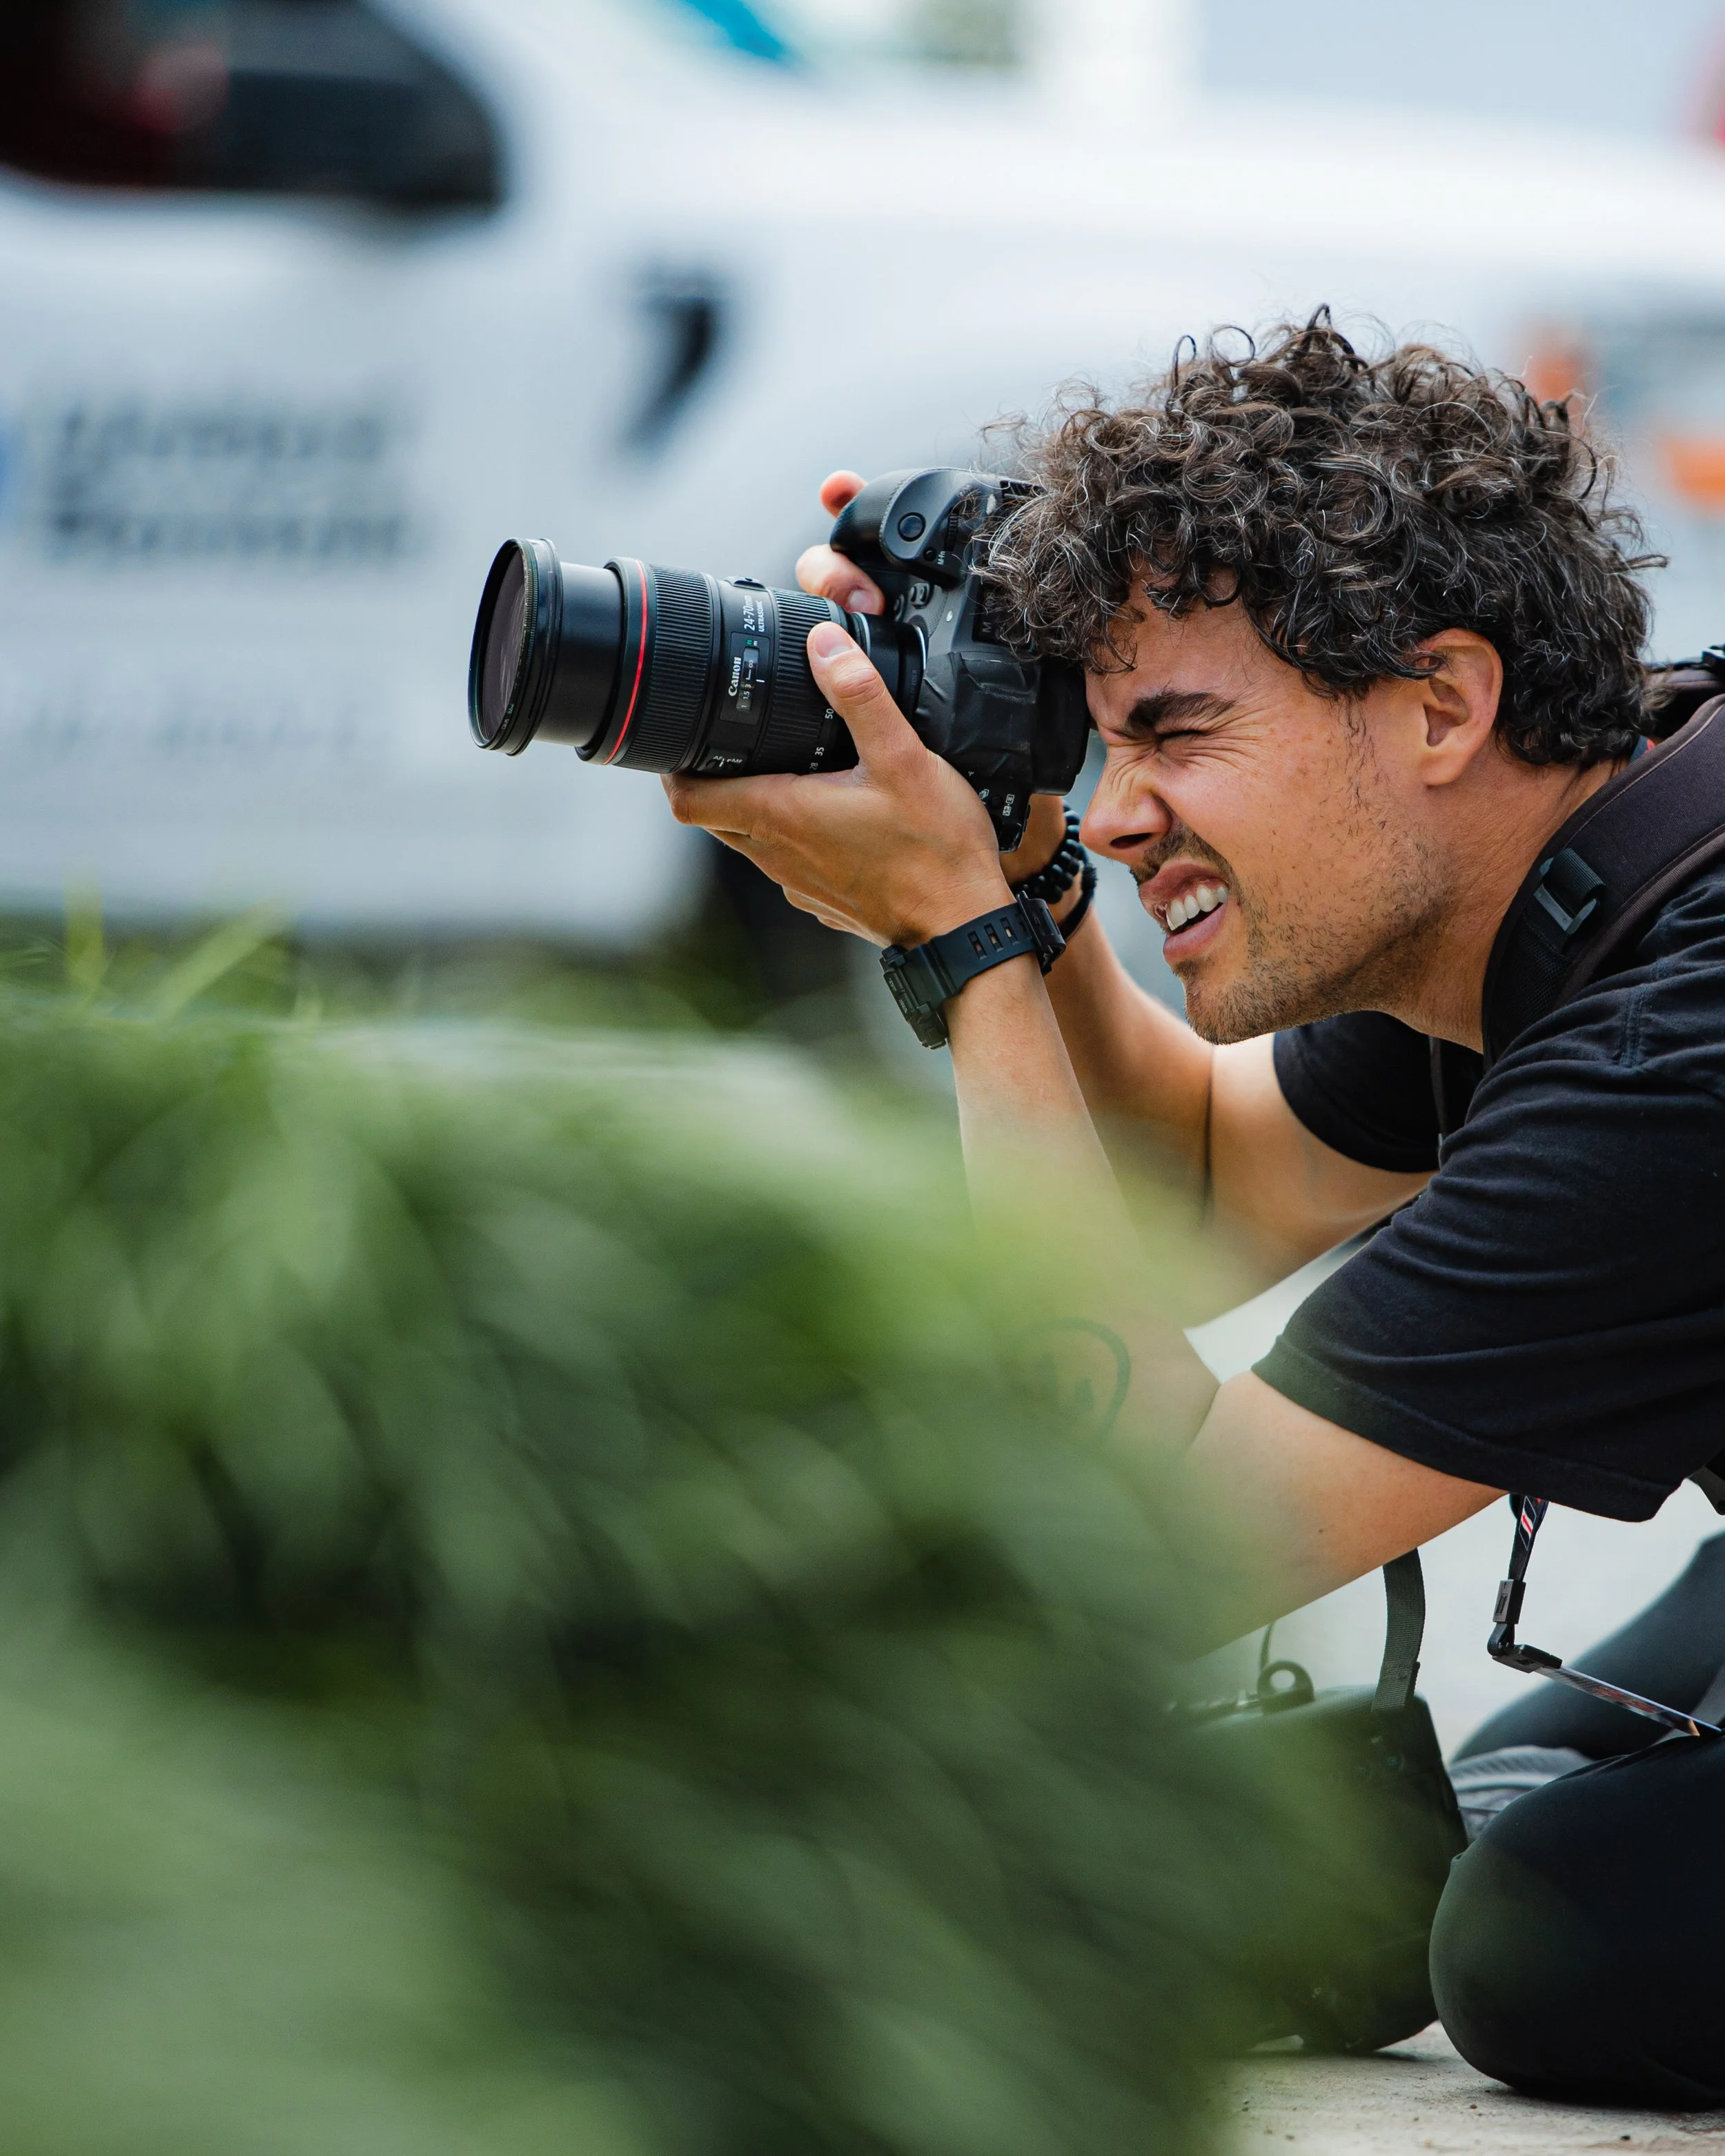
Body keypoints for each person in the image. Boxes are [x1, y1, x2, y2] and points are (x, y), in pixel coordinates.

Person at [661, 315, 1725, 2106]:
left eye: (1173, 732)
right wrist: (1016, 861)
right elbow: (1211, 1186)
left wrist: (967, 948)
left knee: (1559, 1934)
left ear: (1440, 702)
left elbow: (1134, 1546)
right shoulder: (1583, 848)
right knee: (1401, 1856)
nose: (1123, 810)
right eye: (1092, 745)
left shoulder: (1676, 1053)